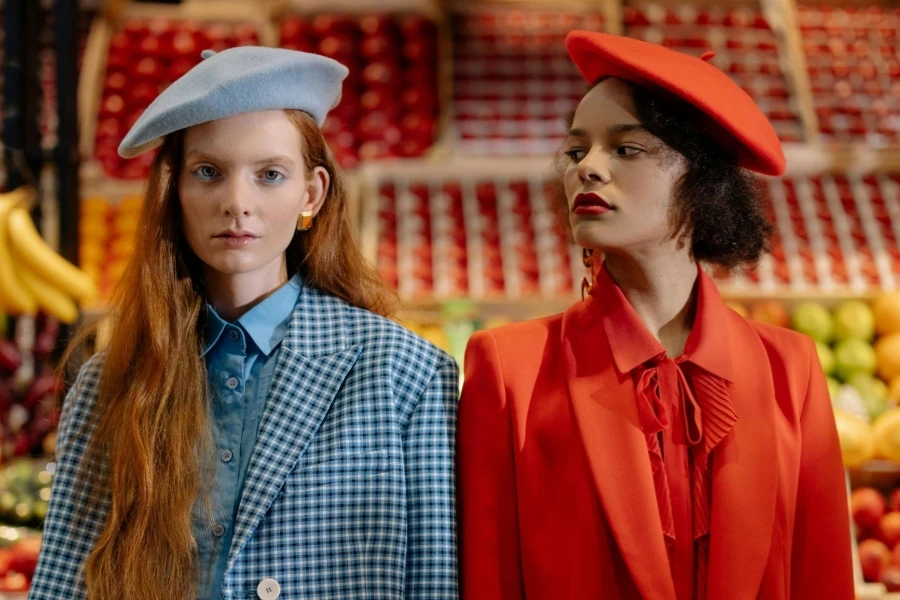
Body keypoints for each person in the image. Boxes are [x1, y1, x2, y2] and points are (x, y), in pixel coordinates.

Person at [30, 47, 458, 600]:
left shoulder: (406, 375)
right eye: (208, 172)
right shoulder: (105, 385)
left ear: (312, 195)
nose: (237, 202)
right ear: (173, 192)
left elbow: (436, 583)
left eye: (270, 175)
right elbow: (63, 584)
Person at [458, 31, 853, 600]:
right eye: (576, 150)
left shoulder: (791, 370)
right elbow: (488, 581)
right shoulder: (508, 369)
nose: (587, 168)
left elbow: (823, 579)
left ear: (703, 181)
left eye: (626, 148)